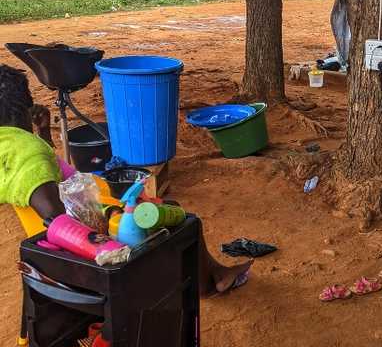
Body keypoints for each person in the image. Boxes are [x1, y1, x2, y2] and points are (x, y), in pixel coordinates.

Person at [0, 65, 252, 302]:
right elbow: (54, 218)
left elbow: (42, 175)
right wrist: (111, 237)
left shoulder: (9, 146)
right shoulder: (26, 151)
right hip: (80, 248)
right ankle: (207, 285)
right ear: (22, 107)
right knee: (181, 219)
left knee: (160, 211)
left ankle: (214, 274)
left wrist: (42, 133)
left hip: (52, 244)